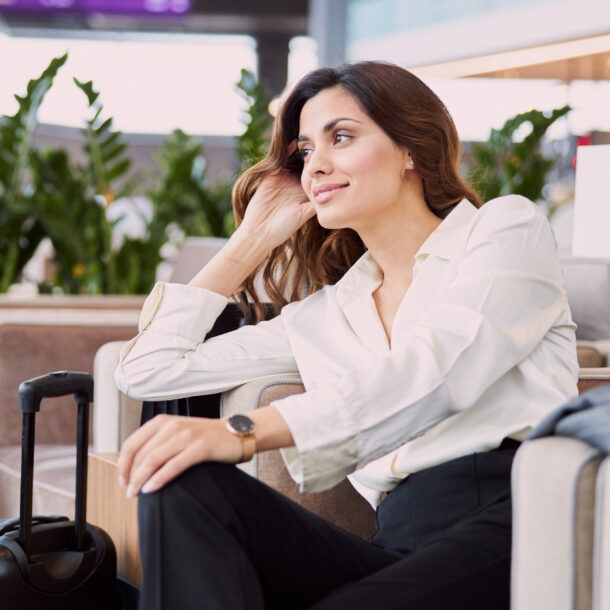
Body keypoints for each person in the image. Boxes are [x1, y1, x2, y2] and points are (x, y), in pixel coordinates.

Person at [115, 61, 578, 610]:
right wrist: (251, 238)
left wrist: (243, 431)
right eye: (305, 151)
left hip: (517, 521)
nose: (317, 165)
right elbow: (148, 369)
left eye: (341, 137)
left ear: (411, 149)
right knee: (183, 488)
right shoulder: (325, 316)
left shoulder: (504, 230)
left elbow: (438, 370)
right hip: (398, 545)